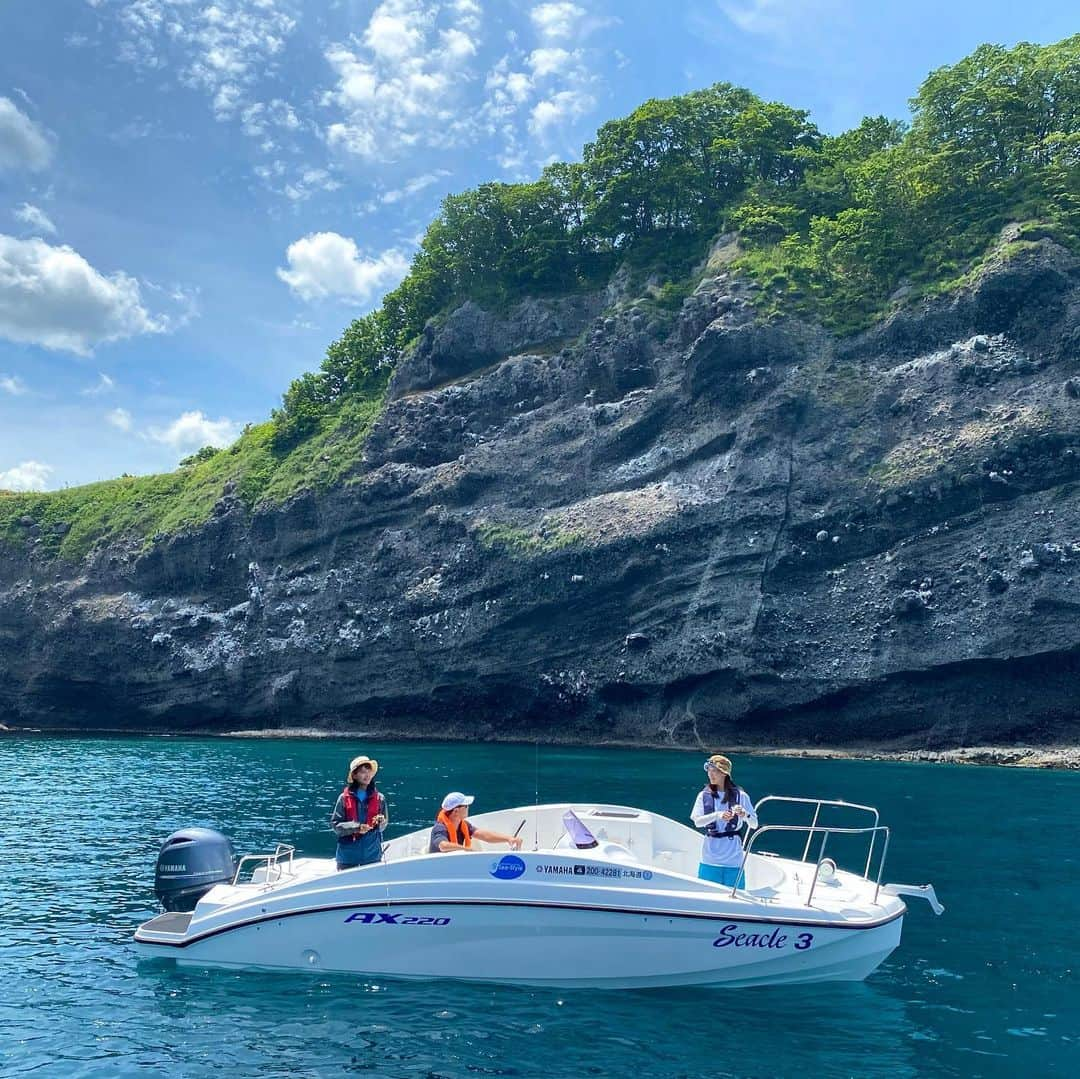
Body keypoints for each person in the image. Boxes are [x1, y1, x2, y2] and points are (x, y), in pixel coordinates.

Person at [690, 754, 757, 886]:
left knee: (735, 898)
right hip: (709, 859)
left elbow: (754, 824)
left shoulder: (741, 796)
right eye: (709, 770)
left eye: (714, 771)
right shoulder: (703, 796)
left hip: (734, 860)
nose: (711, 774)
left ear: (724, 773)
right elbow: (697, 822)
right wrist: (717, 815)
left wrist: (744, 814)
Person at [330, 755, 388, 870]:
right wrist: (357, 828)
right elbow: (336, 825)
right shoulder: (343, 798)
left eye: (368, 771)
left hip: (372, 856)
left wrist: (381, 822)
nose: (367, 775)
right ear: (354, 775)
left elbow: (383, 826)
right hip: (347, 858)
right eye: (362, 772)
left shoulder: (380, 798)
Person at [429, 792, 524, 853]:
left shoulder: (464, 825)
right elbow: (443, 846)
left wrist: (508, 839)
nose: (468, 808)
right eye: (466, 806)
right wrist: (466, 849)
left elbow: (484, 835)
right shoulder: (440, 828)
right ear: (456, 811)